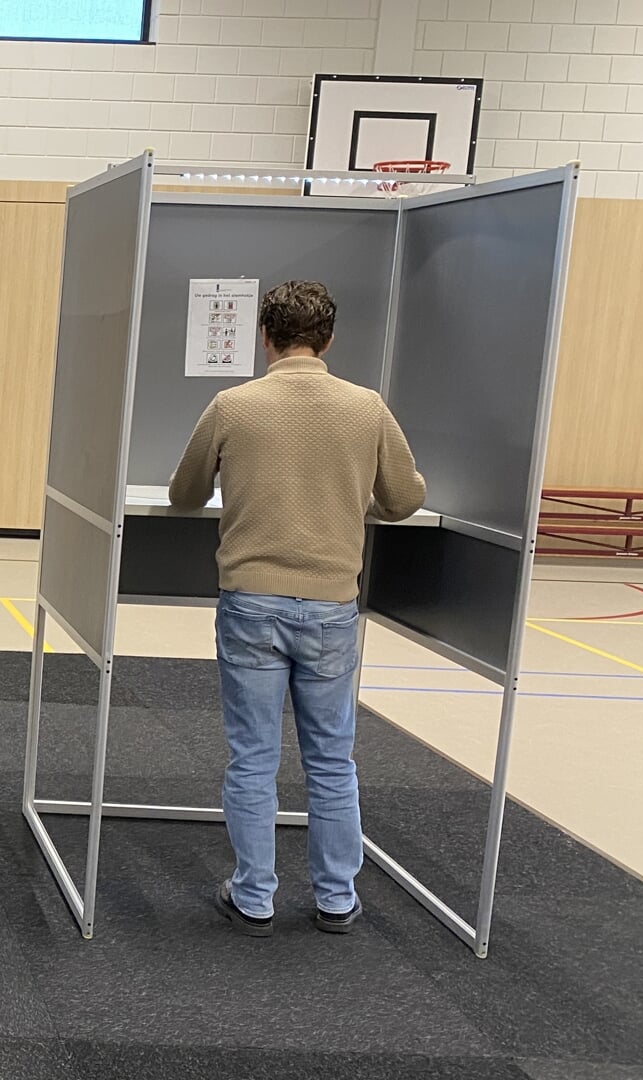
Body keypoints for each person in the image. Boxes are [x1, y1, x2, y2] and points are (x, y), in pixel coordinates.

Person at [168, 280, 426, 937]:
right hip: (330, 605)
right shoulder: (365, 408)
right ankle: (335, 897)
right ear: (328, 338)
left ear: (265, 335)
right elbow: (402, 500)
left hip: (250, 602)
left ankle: (253, 896)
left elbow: (183, 495)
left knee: (252, 758)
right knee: (331, 760)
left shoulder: (233, 404)